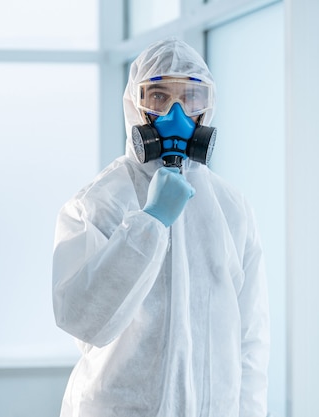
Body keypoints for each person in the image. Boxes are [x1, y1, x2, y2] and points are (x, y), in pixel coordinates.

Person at [52, 38, 269, 416]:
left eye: (190, 97)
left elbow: (250, 342)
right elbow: (82, 320)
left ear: (208, 107)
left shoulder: (232, 210)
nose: (175, 113)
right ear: (134, 105)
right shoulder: (97, 204)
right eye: (158, 96)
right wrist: (150, 223)